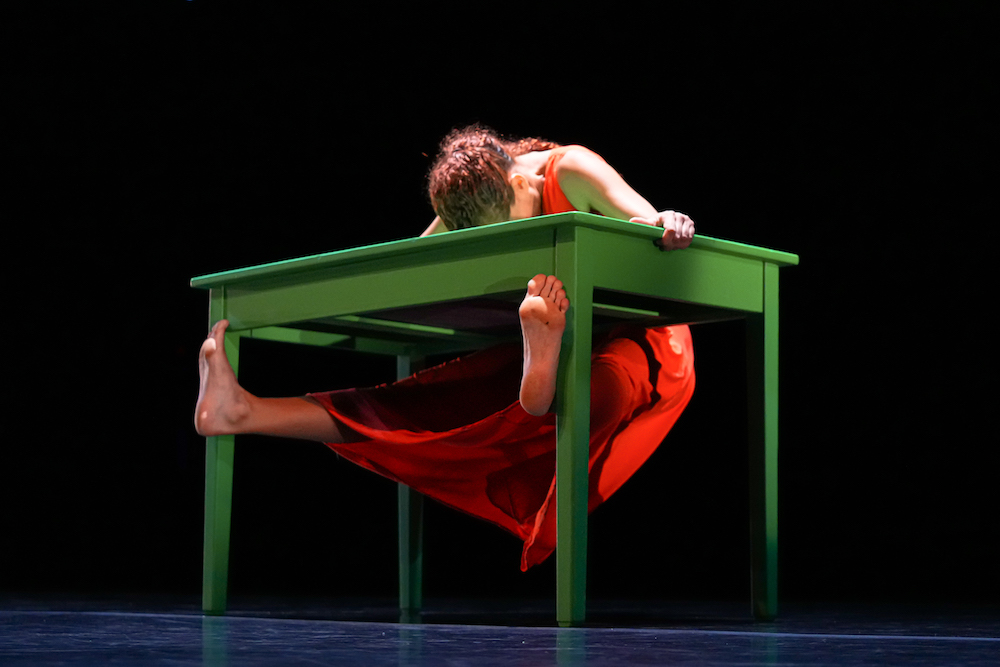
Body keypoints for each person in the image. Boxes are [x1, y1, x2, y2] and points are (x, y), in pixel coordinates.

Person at [195, 125, 697, 570]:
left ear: (522, 184)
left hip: (642, 339)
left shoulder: (570, 168)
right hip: (552, 334)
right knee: (423, 404)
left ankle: (542, 384)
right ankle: (242, 410)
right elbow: (414, 264)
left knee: (601, 391)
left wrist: (665, 223)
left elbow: (647, 218)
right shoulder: (469, 204)